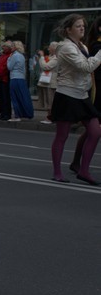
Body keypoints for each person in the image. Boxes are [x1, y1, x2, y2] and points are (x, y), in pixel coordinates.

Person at [49, 14, 101, 185]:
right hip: (67, 95)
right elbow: (85, 67)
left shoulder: (82, 46)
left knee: (95, 132)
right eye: (78, 26)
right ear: (68, 30)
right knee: (62, 135)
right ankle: (57, 172)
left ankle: (83, 170)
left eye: (83, 26)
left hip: (82, 95)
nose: (82, 28)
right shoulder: (66, 47)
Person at [7, 41, 34, 121]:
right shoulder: (22, 56)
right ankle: (25, 113)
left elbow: (9, 67)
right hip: (21, 78)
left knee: (15, 98)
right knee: (22, 97)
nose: (11, 47)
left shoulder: (14, 56)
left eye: (12, 46)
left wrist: (9, 59)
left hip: (14, 78)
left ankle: (17, 115)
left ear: (16, 47)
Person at [36, 42, 59, 124]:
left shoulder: (56, 58)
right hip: (47, 81)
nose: (48, 49)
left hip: (52, 82)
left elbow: (46, 66)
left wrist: (41, 57)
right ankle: (49, 116)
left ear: (54, 49)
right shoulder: (51, 57)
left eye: (50, 47)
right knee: (48, 100)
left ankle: (51, 117)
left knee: (51, 100)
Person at [0, 41, 12, 121]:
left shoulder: (9, 56)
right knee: (1, 97)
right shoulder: (2, 56)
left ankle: (7, 113)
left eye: (5, 46)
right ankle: (2, 113)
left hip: (5, 79)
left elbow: (4, 68)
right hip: (1, 78)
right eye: (3, 46)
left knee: (5, 97)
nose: (3, 48)